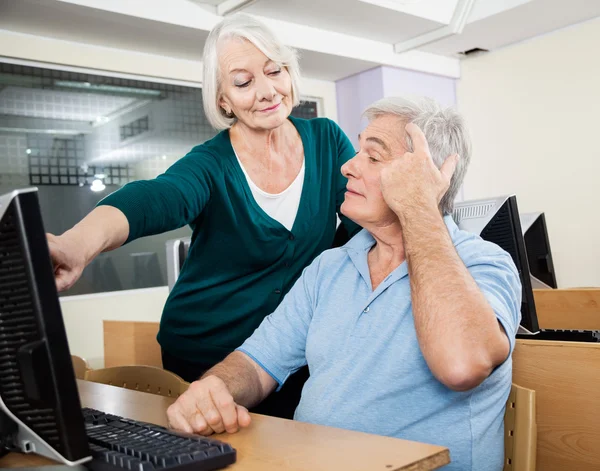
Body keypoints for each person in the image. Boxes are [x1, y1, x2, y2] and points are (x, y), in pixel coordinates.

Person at [165, 97, 522, 471]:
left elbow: (462, 366)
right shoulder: (329, 268)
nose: (348, 167)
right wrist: (215, 388)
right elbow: (258, 363)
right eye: (357, 152)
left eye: (373, 157)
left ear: (424, 175)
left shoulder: (484, 262)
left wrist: (419, 207)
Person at [46, 13, 359, 418]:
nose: (266, 91)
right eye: (243, 82)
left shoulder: (326, 141)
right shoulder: (212, 163)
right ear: (222, 100)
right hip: (206, 347)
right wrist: (76, 244)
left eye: (273, 71)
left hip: (287, 346)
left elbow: (363, 222)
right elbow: (156, 198)